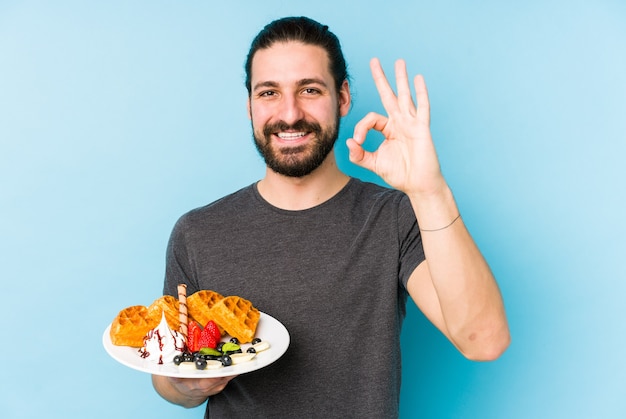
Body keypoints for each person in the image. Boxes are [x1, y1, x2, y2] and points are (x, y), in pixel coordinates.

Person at [151, 16, 510, 418]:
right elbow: (167, 377)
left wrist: (430, 190)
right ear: (249, 105)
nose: (289, 114)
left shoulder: (395, 218)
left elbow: (484, 340)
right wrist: (185, 385)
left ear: (342, 98)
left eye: (309, 89)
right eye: (269, 92)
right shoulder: (197, 232)